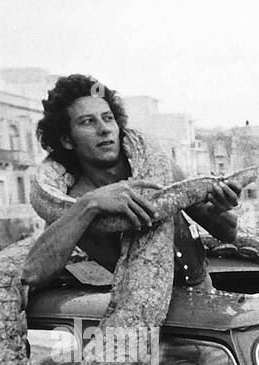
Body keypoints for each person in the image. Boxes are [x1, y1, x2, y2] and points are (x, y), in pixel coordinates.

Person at [21, 74, 241, 290]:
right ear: (67, 140)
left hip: (202, 292)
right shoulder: (71, 202)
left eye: (108, 118)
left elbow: (227, 233)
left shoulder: (158, 168)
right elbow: (32, 274)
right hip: (143, 310)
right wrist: (89, 205)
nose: (104, 129)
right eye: (88, 122)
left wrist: (220, 209)